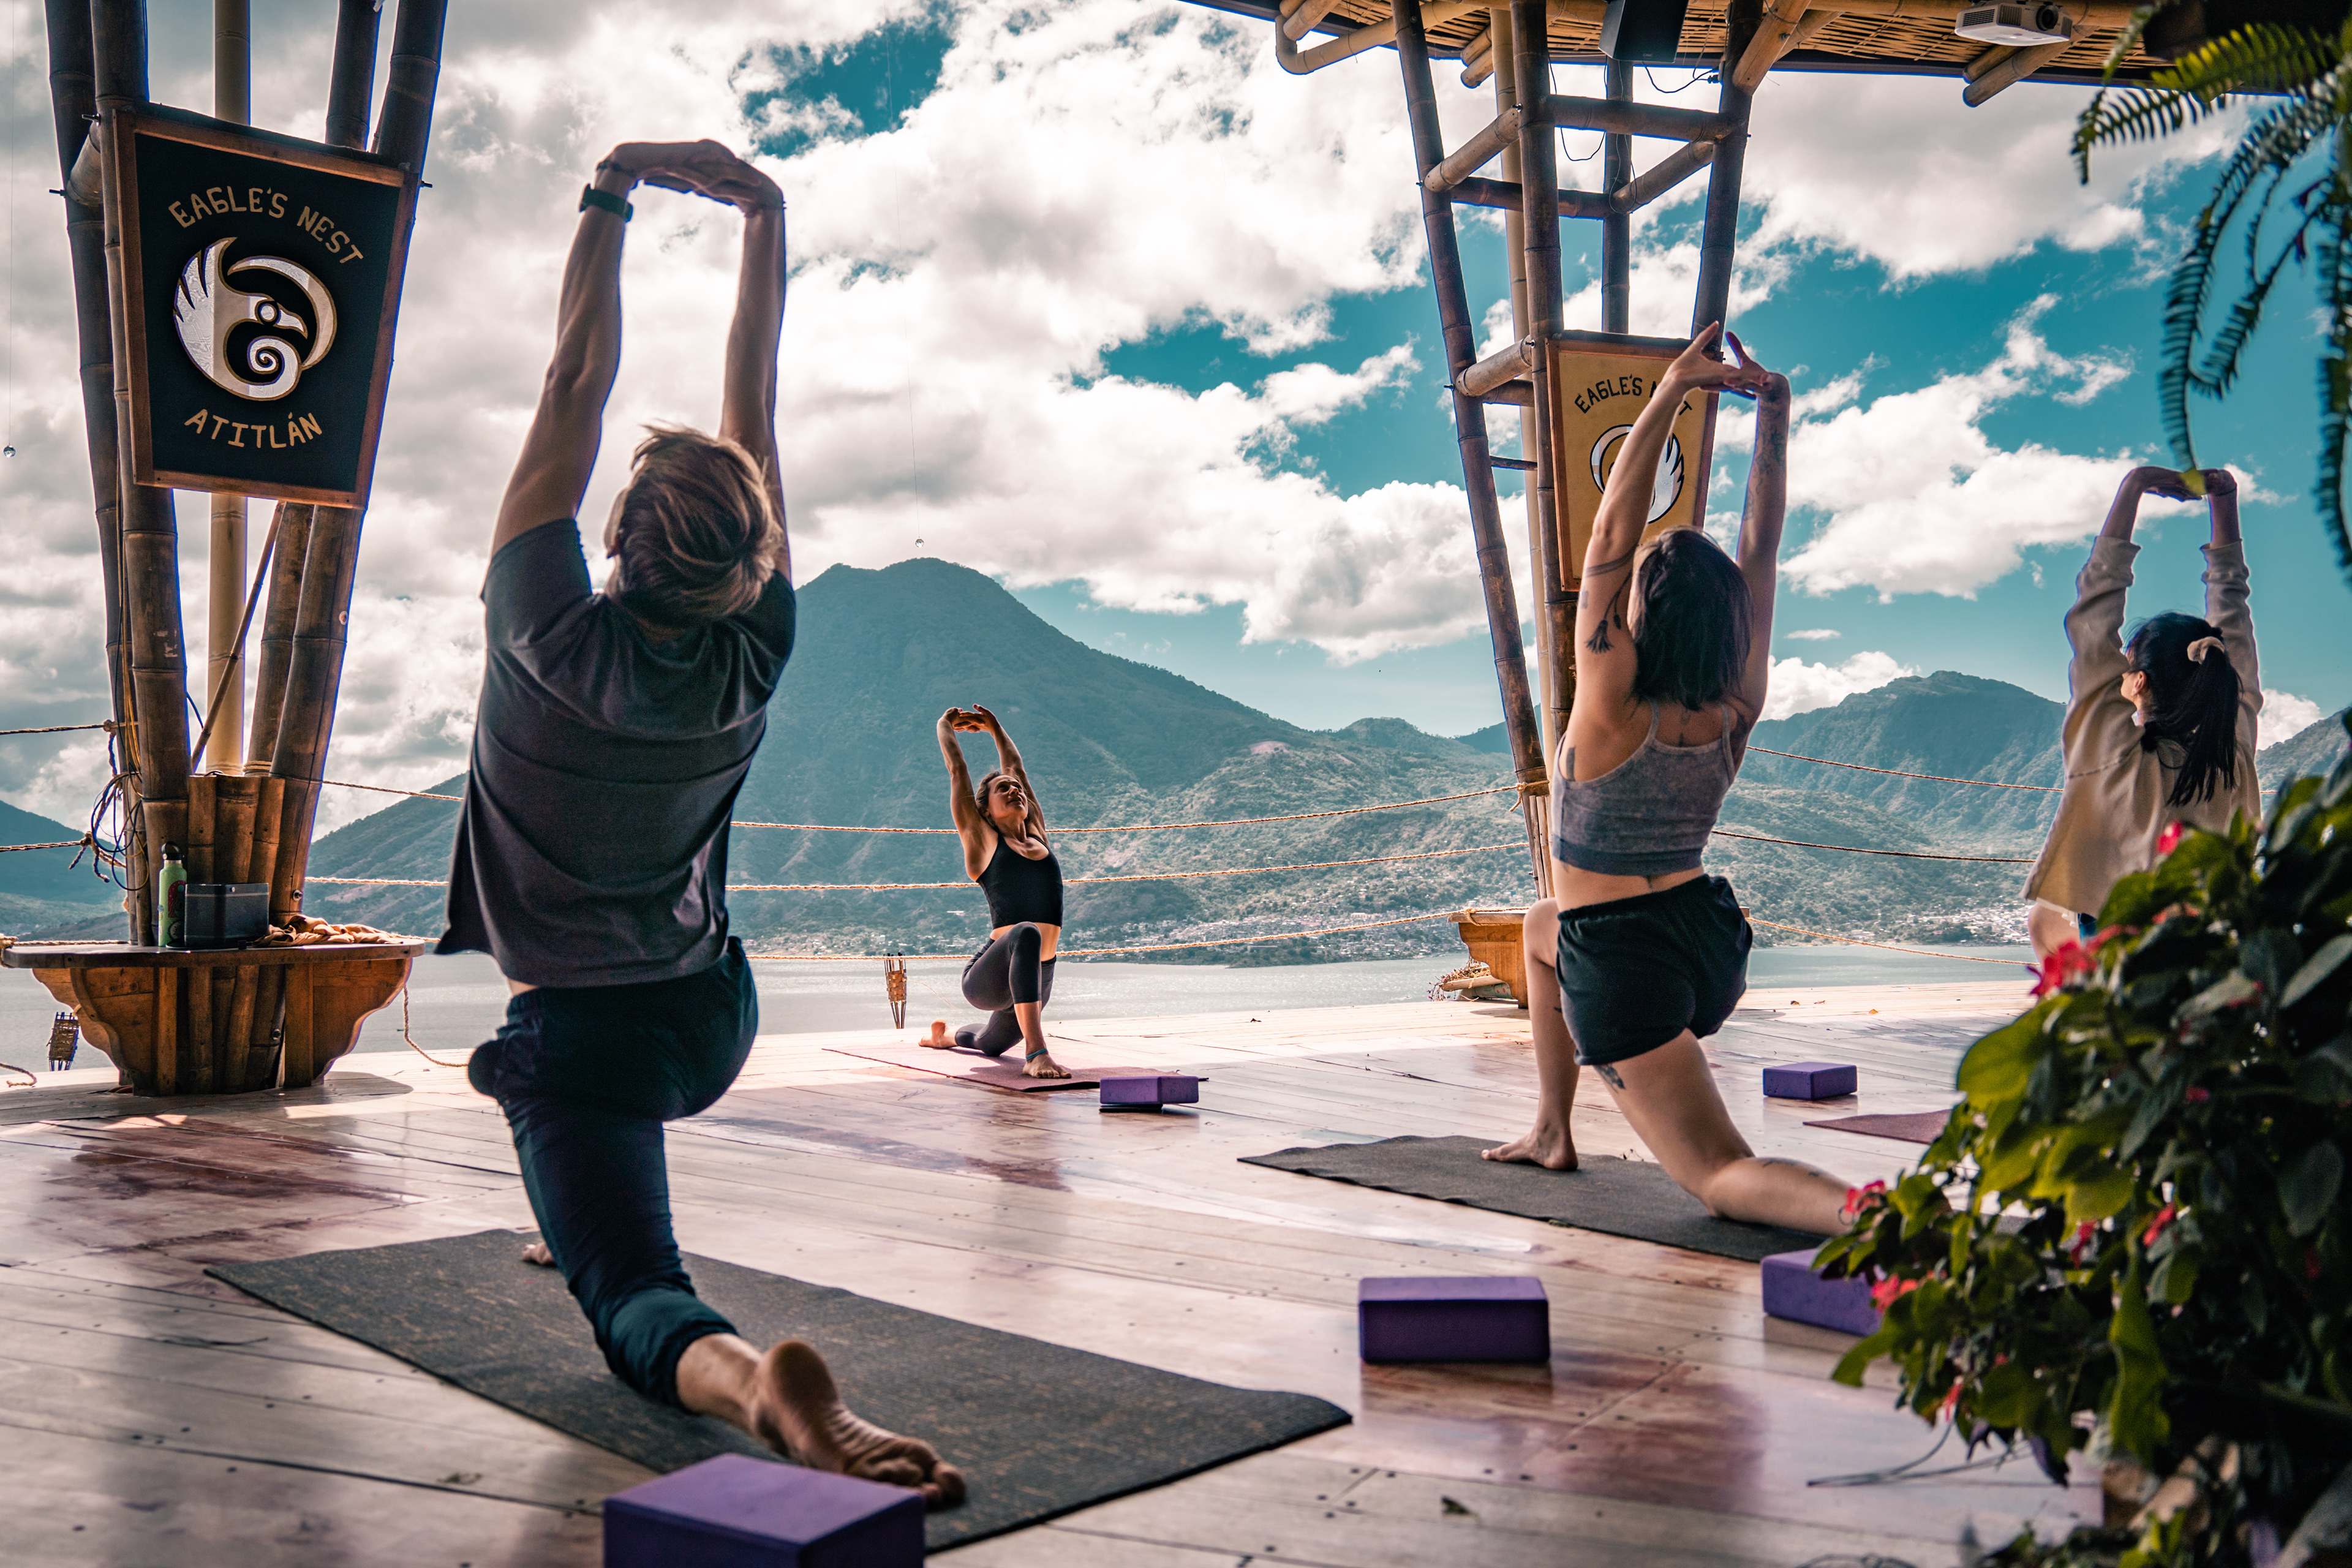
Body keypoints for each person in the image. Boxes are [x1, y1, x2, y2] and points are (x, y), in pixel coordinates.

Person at [442, 138, 961, 1507]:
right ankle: (593, 1203)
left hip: (590, 1037)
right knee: (603, 1169)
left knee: (634, 1293)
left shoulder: (544, 626)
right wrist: (764, 220)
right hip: (706, 1012)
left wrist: (609, 191)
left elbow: (570, 383)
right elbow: (760, 416)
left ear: (616, 538)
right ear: (754, 561)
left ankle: (751, 1385)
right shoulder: (759, 645)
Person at [1482, 325, 1856, 1237]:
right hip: (1707, 938)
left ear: (1643, 611)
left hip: (1627, 958)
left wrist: (1671, 395)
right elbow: (1759, 553)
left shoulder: (1609, 692)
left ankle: (1886, 1224)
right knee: (1541, 928)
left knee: (1720, 1174)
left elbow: (1612, 526)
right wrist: (1774, 420)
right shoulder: (1738, 698)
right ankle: (1551, 1129)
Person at [2023, 467, 2260, 957]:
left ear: (2140, 682)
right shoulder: (2232, 752)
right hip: (2218, 967)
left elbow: (2093, 620)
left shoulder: (2111, 755)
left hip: (2124, 983)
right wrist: (2225, 501)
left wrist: (2135, 486)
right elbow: (2233, 609)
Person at [926, 704, 1069, 1079]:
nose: (1014, 789)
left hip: (1039, 973)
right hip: (988, 977)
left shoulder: (1038, 835)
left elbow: (1017, 767)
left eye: (1017, 789)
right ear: (985, 812)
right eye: (1002, 789)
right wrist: (945, 726)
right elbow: (958, 770)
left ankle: (944, 1039)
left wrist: (995, 728)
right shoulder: (983, 842)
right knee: (1026, 932)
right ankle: (1036, 1052)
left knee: (989, 1043)